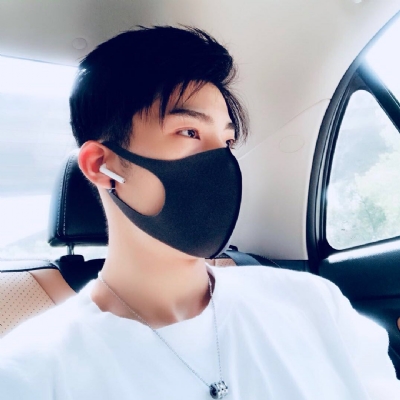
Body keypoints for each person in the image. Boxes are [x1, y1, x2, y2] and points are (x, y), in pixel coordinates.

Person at [0, 25, 399, 400]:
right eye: (189, 132)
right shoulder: (30, 374)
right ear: (101, 165)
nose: (220, 164)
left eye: (226, 142)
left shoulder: (314, 304)